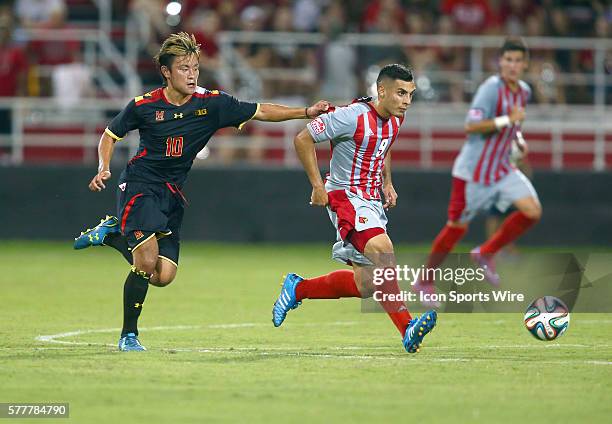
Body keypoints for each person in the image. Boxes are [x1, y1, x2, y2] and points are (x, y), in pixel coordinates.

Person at [73, 32, 330, 351]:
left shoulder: (212, 104)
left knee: (163, 275)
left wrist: (305, 112)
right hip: (140, 185)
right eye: (183, 68)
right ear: (166, 72)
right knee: (146, 260)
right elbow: (109, 136)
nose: (192, 74)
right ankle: (129, 335)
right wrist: (104, 167)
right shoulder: (144, 105)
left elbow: (261, 110)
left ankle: (111, 235)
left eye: (195, 67)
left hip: (172, 194)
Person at [271, 64, 437, 354]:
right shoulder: (352, 116)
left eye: (410, 94)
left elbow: (383, 147)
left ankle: (298, 288)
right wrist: (317, 186)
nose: (406, 101)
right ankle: (408, 327)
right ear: (381, 91)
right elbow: (302, 139)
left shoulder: (397, 118)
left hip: (371, 200)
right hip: (345, 197)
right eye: (400, 93)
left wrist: (388, 182)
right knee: (384, 250)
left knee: (366, 285)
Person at [413, 37, 541, 303]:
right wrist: (508, 120)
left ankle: (485, 252)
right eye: (508, 60)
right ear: (500, 62)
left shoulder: (524, 91)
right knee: (456, 228)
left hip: (502, 169)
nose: (513, 65)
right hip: (473, 174)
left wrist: (518, 141)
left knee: (532, 211)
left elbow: (513, 127)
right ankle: (424, 281)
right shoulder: (491, 88)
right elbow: (471, 126)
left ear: (525, 64)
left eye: (518, 61)